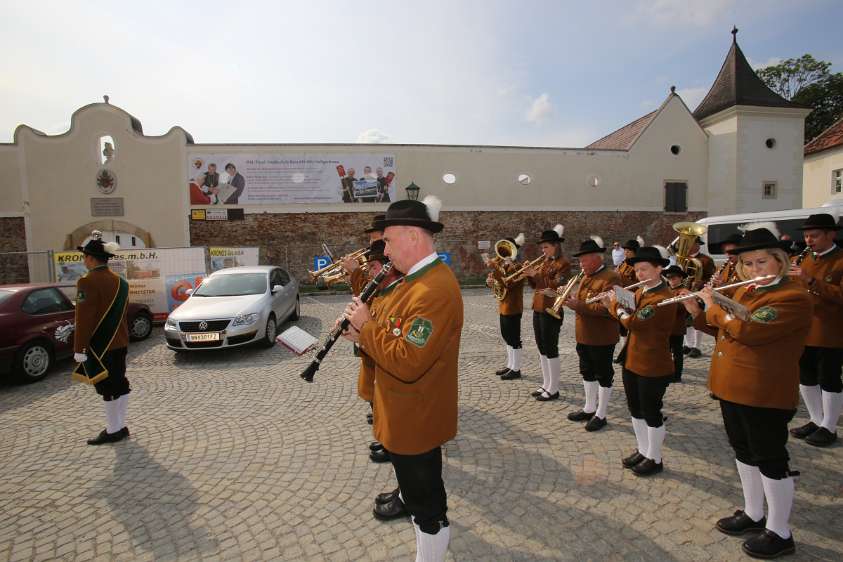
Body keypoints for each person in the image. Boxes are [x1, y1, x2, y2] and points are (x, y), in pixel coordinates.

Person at [342, 195, 462, 561]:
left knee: (427, 506)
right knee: (416, 493)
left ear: (412, 236)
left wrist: (366, 330)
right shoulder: (410, 282)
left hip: (417, 418)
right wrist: (360, 332)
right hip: (400, 412)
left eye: (388, 241)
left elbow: (408, 361)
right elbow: (388, 332)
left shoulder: (434, 289)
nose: (384, 250)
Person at [682, 225, 812, 559]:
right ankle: (754, 512)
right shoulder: (745, 292)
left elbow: (747, 330)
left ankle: (780, 531)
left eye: (762, 262)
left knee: (770, 457)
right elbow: (721, 330)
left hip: (763, 391)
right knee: (743, 450)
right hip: (731, 386)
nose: (755, 270)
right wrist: (696, 310)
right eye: (749, 264)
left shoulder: (792, 296)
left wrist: (712, 306)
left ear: (780, 262)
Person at [602, 246, 676, 476]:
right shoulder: (642, 291)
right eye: (637, 270)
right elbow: (631, 309)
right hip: (633, 358)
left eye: (644, 269)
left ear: (659, 268)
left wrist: (614, 305)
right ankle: (643, 450)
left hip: (652, 363)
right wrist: (618, 299)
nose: (639, 274)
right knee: (635, 409)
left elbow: (634, 323)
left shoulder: (663, 297)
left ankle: (655, 457)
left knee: (651, 412)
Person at [788, 213, 843, 447]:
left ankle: (829, 426)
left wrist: (811, 281)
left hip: (830, 331)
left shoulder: (840, 260)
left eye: (815, 235)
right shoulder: (804, 259)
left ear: (831, 234)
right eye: (806, 235)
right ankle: (815, 419)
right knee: (806, 377)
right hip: (803, 329)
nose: (809, 240)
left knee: (828, 378)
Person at [71, 233, 131, 446]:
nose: (83, 261)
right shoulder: (121, 282)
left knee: (107, 388)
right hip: (120, 342)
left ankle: (113, 429)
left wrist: (80, 348)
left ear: (91, 258)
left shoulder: (87, 282)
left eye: (84, 256)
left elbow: (84, 318)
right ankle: (120, 425)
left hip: (101, 347)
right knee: (120, 383)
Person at [563, 236, 621, 431]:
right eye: (580, 260)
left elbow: (607, 309)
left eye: (584, 260)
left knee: (603, 374)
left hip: (602, 336)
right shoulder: (586, 277)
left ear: (597, 258)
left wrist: (577, 305)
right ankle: (589, 407)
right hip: (585, 334)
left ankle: (601, 414)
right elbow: (585, 301)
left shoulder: (610, 277)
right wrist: (569, 298)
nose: (581, 264)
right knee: (587, 371)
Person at [525, 225, 571, 401]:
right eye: (542, 247)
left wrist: (536, 275)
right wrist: (529, 274)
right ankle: (546, 383)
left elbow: (557, 286)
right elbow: (535, 285)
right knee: (541, 348)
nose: (543, 250)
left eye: (546, 247)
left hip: (552, 309)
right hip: (538, 307)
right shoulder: (545, 262)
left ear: (555, 246)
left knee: (551, 348)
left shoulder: (563, 264)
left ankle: (554, 388)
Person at [486, 234, 526, 380]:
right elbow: (497, 281)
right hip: (503, 304)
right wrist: (489, 282)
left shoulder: (518, 266)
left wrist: (495, 271)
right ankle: (510, 365)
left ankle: (516, 369)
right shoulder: (502, 264)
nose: (503, 254)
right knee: (506, 336)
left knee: (514, 338)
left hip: (513, 306)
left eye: (507, 250)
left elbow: (508, 283)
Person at [683, 236, 716, 358]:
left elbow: (711, 278)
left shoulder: (706, 260)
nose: (688, 246)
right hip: (685, 291)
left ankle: (696, 346)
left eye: (690, 243)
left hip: (698, 292)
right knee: (686, 319)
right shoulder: (684, 258)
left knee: (697, 317)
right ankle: (688, 344)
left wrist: (700, 283)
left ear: (697, 245)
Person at [663, 265, 689, 383]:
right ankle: (667, 372)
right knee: (666, 351)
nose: (671, 281)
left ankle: (677, 375)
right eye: (669, 278)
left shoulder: (684, 291)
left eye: (674, 278)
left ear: (680, 278)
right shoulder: (666, 290)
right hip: (666, 326)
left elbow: (683, 309)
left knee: (677, 352)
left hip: (677, 326)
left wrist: (667, 303)